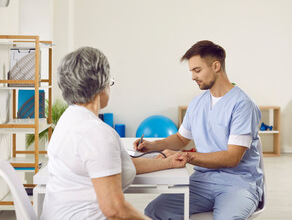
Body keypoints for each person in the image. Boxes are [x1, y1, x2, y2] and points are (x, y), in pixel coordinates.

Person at [41, 47, 189, 220]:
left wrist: (168, 163)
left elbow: (115, 166)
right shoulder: (97, 133)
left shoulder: (69, 120)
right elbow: (115, 210)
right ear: (101, 85)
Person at [134, 40, 263, 220]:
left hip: (238, 184)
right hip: (202, 182)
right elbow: (180, 138)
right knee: (155, 211)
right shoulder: (197, 104)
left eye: (197, 70)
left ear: (216, 66)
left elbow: (232, 158)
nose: (193, 77)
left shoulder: (243, 105)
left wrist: (187, 157)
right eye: (192, 72)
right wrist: (152, 145)